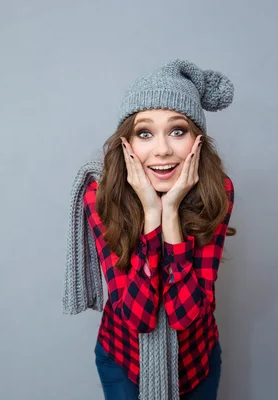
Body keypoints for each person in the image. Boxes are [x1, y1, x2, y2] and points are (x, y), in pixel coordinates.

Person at [63, 59, 236, 400]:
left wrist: (170, 212)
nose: (162, 149)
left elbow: (185, 314)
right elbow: (138, 317)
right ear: (125, 143)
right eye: (145, 133)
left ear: (196, 140)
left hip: (197, 360)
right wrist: (151, 217)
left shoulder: (218, 189)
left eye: (177, 130)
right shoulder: (102, 195)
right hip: (124, 360)